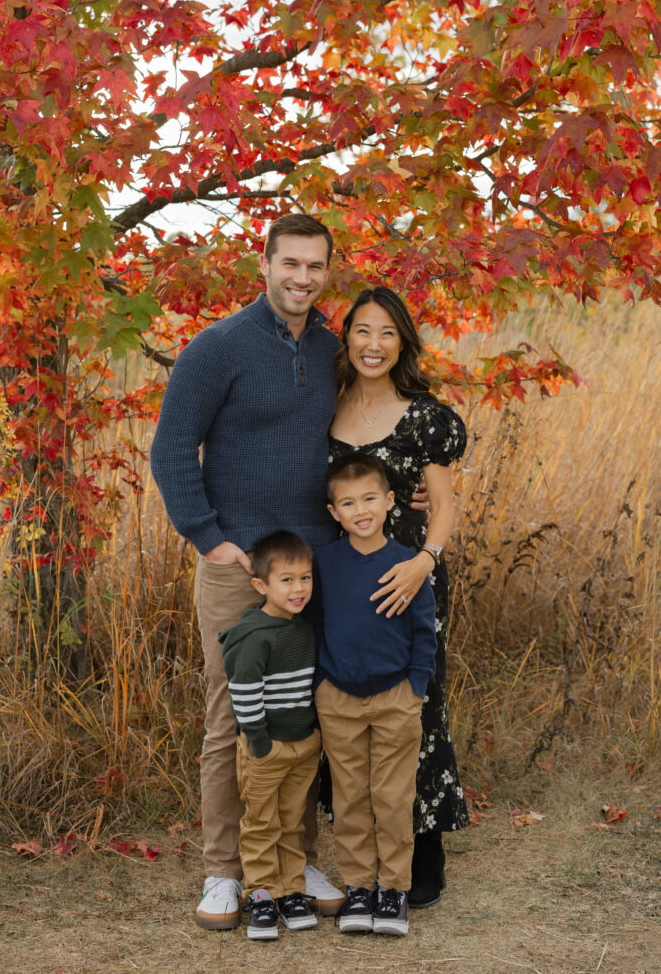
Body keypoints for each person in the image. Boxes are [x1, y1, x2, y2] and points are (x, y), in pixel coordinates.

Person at [150, 214, 345, 929]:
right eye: (288, 263)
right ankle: (223, 872)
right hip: (238, 568)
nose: (301, 278)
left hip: (314, 568)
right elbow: (171, 448)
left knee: (302, 716)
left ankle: (292, 860)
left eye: (314, 266)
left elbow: (362, 437)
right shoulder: (218, 347)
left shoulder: (333, 349)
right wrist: (208, 538)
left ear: (328, 270)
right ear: (263, 264)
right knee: (231, 717)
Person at [327, 284, 468, 909]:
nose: (374, 344)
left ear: (403, 341)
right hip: (342, 583)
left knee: (418, 709)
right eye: (362, 330)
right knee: (349, 709)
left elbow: (444, 505)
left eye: (387, 332)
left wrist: (424, 563)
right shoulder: (325, 408)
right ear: (347, 337)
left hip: (410, 576)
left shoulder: (425, 415)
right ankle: (360, 858)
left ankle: (423, 848)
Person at [311, 452, 437, 937]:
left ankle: (393, 889)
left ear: (388, 501)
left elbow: (426, 631)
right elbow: (315, 622)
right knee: (349, 799)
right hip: (338, 697)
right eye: (347, 503)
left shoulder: (407, 563)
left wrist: (416, 687)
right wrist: (323, 680)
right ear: (333, 512)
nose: (360, 510)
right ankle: (360, 887)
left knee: (390, 796)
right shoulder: (324, 562)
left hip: (395, 698)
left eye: (369, 499)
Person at [219, 531, 321, 941]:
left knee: (292, 821)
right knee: (261, 822)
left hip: (304, 744)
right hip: (267, 748)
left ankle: (292, 891)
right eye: (287, 580)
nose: (299, 588)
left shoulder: (303, 630)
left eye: (306, 578)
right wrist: (261, 745)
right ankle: (261, 894)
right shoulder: (256, 635)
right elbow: (244, 695)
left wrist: (312, 736)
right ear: (261, 585)